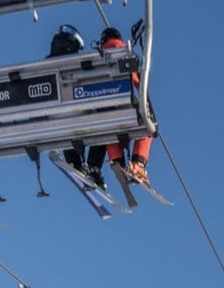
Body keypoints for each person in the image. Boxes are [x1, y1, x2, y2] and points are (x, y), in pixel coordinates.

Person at [45, 25, 107, 189]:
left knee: (65, 127)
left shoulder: (44, 66)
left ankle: (75, 163)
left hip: (54, 123)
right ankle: (93, 167)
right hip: (79, 119)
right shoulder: (78, 63)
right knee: (105, 123)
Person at [98, 26, 153, 187]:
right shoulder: (125, 54)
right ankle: (137, 163)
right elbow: (137, 84)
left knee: (107, 127)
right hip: (125, 109)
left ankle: (117, 161)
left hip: (102, 115)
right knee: (148, 124)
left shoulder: (95, 59)